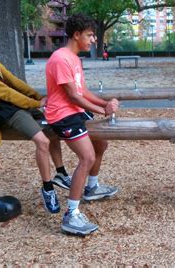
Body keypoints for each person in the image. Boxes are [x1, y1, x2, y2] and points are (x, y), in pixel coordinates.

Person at [0, 26, 71, 214]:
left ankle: (61, 173)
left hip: (17, 104)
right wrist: (34, 103)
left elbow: (13, 81)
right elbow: (4, 92)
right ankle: (48, 188)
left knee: (53, 126)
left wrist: (37, 96)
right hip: (3, 111)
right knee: (42, 141)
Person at [45, 14, 120, 236]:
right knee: (86, 157)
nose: (93, 40)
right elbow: (73, 97)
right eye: (89, 35)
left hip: (75, 111)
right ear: (76, 35)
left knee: (101, 142)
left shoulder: (75, 59)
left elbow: (83, 92)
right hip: (62, 115)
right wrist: (102, 110)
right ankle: (72, 215)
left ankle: (92, 187)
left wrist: (105, 103)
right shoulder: (60, 59)